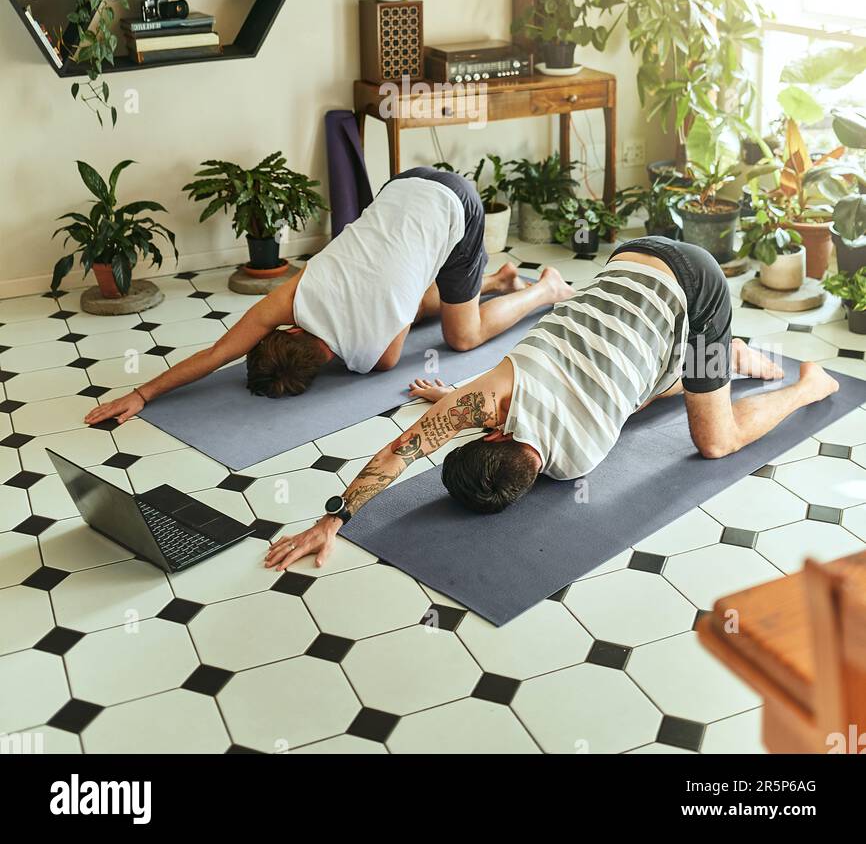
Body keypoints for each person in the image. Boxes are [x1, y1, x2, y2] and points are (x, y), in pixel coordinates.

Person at [264, 236, 840, 571]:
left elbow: (618, 398)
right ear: (489, 432)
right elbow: (398, 453)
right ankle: (805, 382)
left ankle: (715, 361)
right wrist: (331, 518)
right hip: (661, 269)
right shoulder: (490, 397)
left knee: (631, 394)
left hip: (657, 302)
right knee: (716, 441)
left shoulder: (578, 460)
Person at [83, 166, 571, 426]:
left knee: (462, 338)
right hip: (403, 185)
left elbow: (402, 302)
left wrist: (146, 395)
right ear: (287, 332)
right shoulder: (291, 297)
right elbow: (215, 355)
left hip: (459, 207)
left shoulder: (374, 359)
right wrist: (140, 391)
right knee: (407, 293)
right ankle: (497, 279)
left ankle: (545, 288)